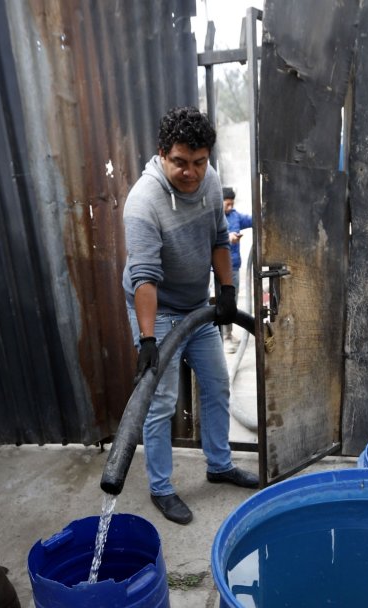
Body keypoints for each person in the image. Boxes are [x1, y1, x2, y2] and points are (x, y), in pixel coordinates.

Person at [120, 106, 259, 525]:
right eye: (180, 162)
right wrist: (147, 340)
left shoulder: (211, 181)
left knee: (217, 384)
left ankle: (219, 465)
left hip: (197, 305)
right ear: (162, 154)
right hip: (158, 309)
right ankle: (162, 488)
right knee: (161, 401)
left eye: (199, 162)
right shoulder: (143, 202)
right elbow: (144, 276)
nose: (191, 172)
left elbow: (219, 237)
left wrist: (228, 291)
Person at [220, 187, 253, 353]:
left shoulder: (235, 216)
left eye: (232, 204)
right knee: (224, 301)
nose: (230, 207)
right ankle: (225, 338)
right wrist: (228, 238)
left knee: (231, 301)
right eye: (227, 204)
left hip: (234, 266)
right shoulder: (215, 217)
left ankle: (229, 334)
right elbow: (212, 237)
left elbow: (252, 220)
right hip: (220, 268)